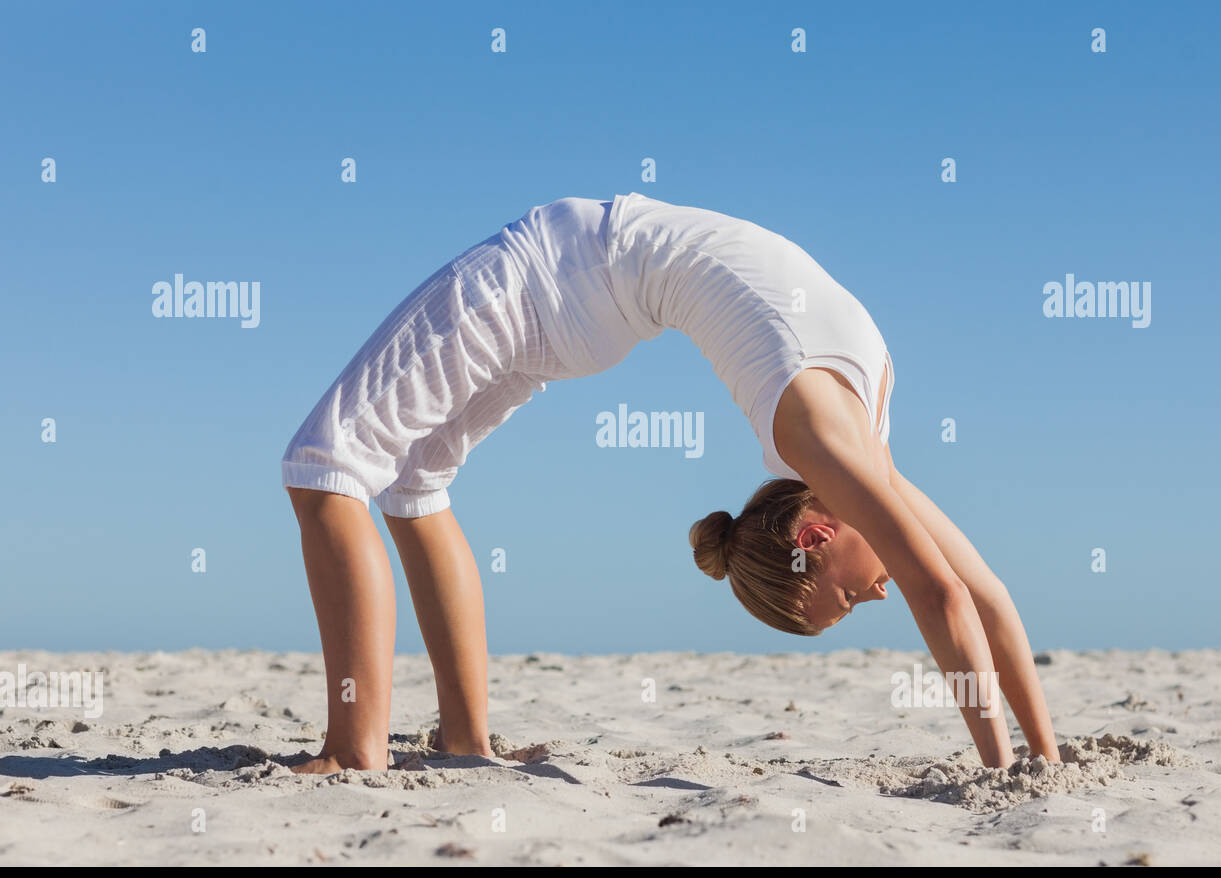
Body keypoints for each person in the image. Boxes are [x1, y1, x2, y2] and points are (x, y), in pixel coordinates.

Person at [281, 192, 1060, 772]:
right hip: (565, 296)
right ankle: (462, 742)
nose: (878, 595)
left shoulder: (838, 440)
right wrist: (1015, 765)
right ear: (815, 536)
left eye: (855, 600)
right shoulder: (842, 444)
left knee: (328, 465)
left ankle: (356, 751)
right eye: (851, 598)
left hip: (548, 283)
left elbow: (967, 597)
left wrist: (1027, 768)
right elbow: (963, 595)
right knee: (409, 480)